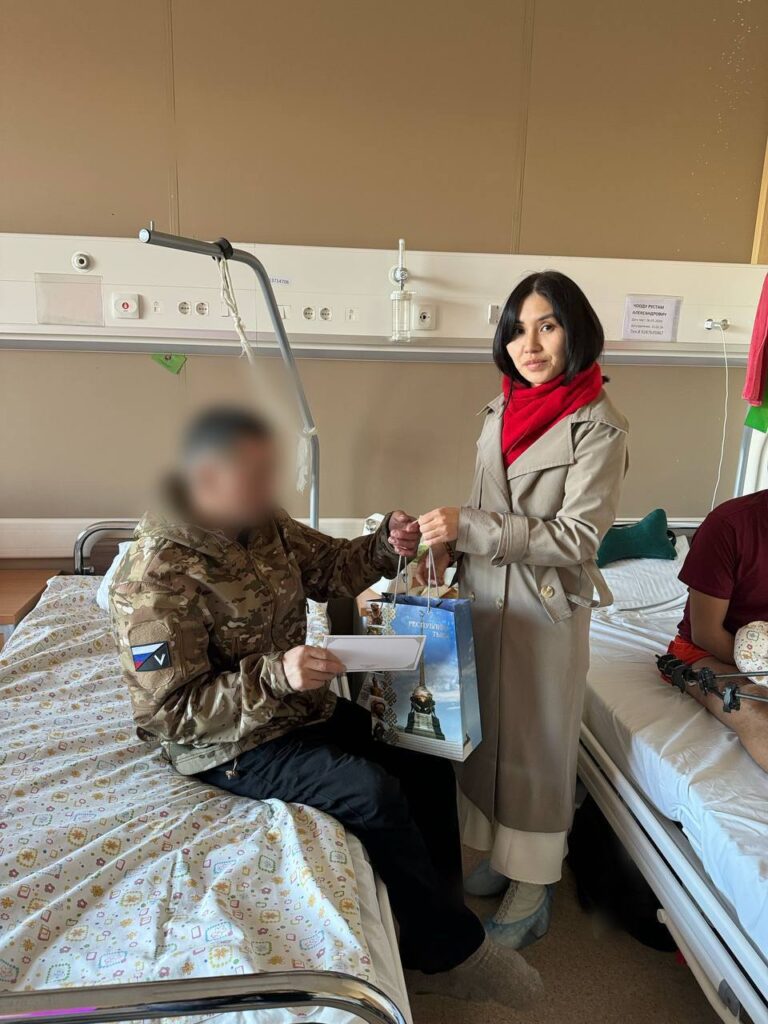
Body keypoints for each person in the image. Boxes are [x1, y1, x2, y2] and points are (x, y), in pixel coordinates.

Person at [109, 405, 542, 1009]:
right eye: (254, 475)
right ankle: (454, 954)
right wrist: (278, 674)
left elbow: (333, 567)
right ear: (205, 476)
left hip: (299, 708)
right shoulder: (155, 576)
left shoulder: (263, 524)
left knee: (424, 759)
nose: (270, 489)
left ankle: (433, 924)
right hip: (227, 743)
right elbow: (170, 714)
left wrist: (387, 543)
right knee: (371, 792)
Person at [415, 271, 629, 949]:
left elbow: (579, 538)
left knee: (537, 745)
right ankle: (507, 861)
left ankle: (534, 886)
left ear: (575, 331)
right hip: (485, 598)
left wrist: (471, 527)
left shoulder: (600, 426)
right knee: (489, 742)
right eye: (516, 329)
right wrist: (445, 543)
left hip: (544, 609)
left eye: (547, 326)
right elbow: (485, 505)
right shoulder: (499, 410)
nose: (528, 344)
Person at [664, 490, 768, 771]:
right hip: (708, 652)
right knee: (754, 704)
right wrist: (761, 671)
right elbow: (707, 633)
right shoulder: (729, 525)